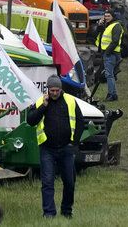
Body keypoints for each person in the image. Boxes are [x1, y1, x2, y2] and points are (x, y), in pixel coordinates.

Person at [27, 75, 85, 219]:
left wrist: (74, 141)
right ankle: (49, 213)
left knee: (70, 182)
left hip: (66, 148)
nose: (54, 93)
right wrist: (43, 106)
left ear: (61, 89)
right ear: (48, 89)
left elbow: (80, 122)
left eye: (57, 90)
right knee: (47, 182)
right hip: (47, 149)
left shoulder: (70, 101)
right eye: (52, 90)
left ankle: (66, 211)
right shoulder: (41, 101)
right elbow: (31, 121)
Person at [95, 9, 123, 101]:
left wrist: (107, 52)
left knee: (109, 75)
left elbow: (115, 41)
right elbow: (98, 32)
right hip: (107, 53)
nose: (106, 18)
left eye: (108, 16)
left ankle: (111, 94)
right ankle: (113, 94)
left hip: (111, 54)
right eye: (105, 16)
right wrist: (100, 24)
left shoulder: (116, 26)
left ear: (113, 16)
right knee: (109, 74)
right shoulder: (108, 25)